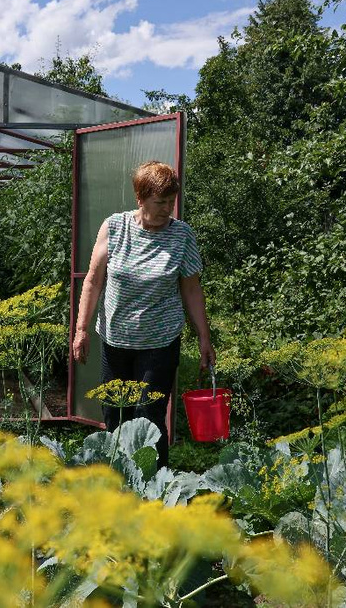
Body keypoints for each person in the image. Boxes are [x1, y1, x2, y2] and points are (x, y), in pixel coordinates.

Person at [70, 160, 215, 467]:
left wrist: (204, 337)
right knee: (113, 412)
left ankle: (153, 486)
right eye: (160, 202)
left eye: (171, 202)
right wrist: (81, 330)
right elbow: (94, 281)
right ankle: (118, 479)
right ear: (140, 198)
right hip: (115, 341)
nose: (167, 210)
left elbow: (191, 288)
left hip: (159, 344)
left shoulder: (181, 236)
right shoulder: (115, 228)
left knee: (148, 415)